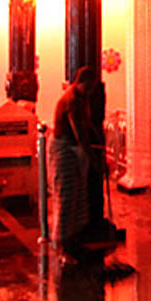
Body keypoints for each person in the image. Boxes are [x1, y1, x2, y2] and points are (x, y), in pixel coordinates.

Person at [49, 66, 99, 253]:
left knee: (78, 197)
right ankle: (61, 244)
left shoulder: (81, 98)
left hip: (74, 151)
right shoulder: (71, 101)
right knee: (66, 197)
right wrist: (93, 160)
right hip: (64, 149)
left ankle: (73, 238)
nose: (89, 92)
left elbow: (86, 125)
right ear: (79, 83)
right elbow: (80, 135)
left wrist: (96, 135)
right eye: (87, 88)